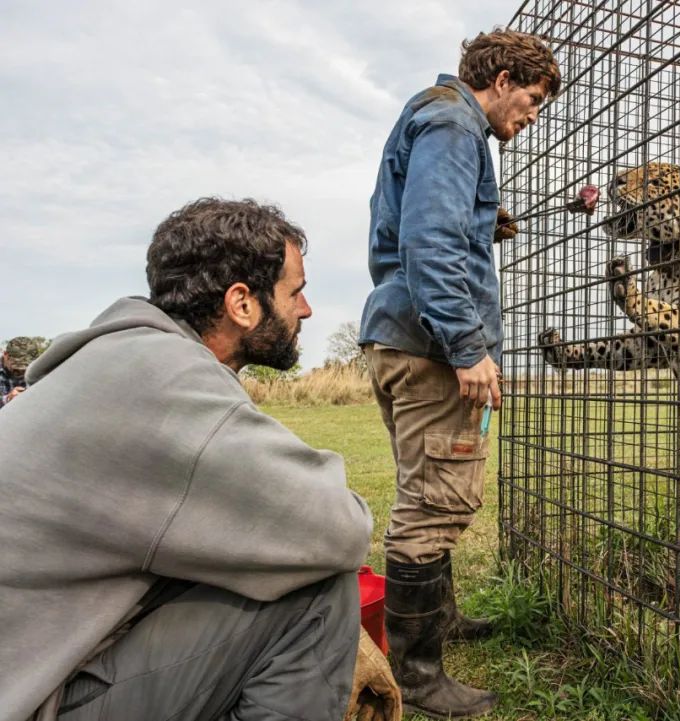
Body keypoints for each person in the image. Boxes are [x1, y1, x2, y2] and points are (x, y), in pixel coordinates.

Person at [0, 199, 380, 721]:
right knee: (318, 588)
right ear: (242, 303)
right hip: (32, 698)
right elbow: (341, 529)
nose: (307, 309)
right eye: (296, 291)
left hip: (35, 666)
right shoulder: (165, 379)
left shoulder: (114, 360)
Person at [359, 28, 560, 719]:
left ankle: (437, 622)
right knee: (438, 502)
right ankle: (418, 676)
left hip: (396, 334)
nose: (531, 117)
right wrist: (469, 347)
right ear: (501, 80)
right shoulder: (454, 122)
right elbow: (428, 240)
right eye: (531, 100)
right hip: (430, 345)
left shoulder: (431, 114)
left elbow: (407, 219)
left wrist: (482, 219)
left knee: (428, 487)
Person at [0, 336, 42, 407]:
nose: (21, 372)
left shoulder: (39, 369)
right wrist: (7, 399)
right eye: (17, 367)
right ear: (5, 355)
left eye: (26, 367)